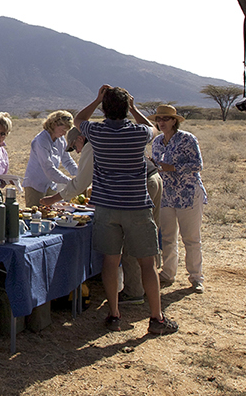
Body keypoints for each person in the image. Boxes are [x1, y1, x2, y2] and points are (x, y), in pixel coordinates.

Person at [75, 85, 177, 336]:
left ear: (105, 109)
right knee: (147, 264)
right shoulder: (138, 132)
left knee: (111, 262)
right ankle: (156, 318)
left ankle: (114, 314)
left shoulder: (96, 132)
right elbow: (153, 129)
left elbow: (78, 119)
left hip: (107, 208)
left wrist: (96, 100)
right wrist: (134, 107)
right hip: (136, 207)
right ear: (125, 109)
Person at [151, 104, 208, 293]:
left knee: (191, 238)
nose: (161, 122)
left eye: (165, 119)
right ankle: (168, 273)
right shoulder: (157, 142)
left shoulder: (187, 139)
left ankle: (196, 277)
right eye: (159, 119)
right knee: (167, 236)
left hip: (188, 193)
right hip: (166, 194)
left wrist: (172, 168)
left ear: (174, 121)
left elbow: (197, 165)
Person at [21, 110, 78, 207]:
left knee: (50, 215)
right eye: (63, 129)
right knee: (36, 215)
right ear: (54, 124)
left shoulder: (60, 140)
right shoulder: (41, 140)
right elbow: (48, 168)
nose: (64, 133)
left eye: (66, 131)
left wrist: (80, 174)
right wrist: (69, 182)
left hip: (51, 185)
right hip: (36, 185)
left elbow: (67, 161)